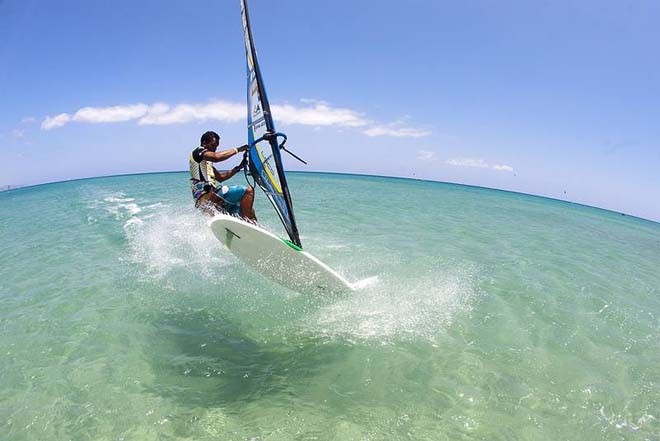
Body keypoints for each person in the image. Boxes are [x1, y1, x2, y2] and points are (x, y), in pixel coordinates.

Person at [189, 130, 256, 220]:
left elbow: (221, 178)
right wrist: (238, 149)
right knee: (248, 191)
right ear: (204, 143)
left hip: (213, 201)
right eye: (213, 145)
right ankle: (248, 227)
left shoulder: (205, 164)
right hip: (206, 199)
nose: (215, 149)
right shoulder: (197, 152)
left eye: (216, 147)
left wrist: (239, 167)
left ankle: (254, 229)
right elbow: (217, 157)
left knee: (247, 208)